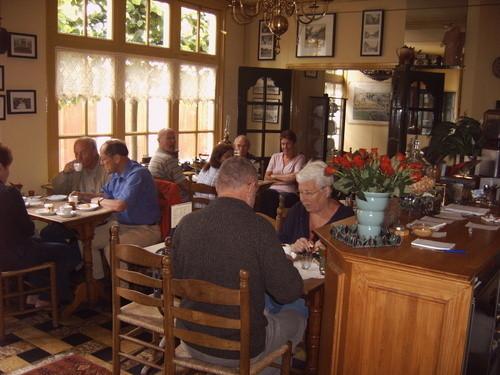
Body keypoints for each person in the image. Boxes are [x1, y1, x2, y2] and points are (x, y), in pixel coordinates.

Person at [173, 157, 306, 372]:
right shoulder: (259, 229)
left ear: (218, 185)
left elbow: (176, 279)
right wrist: (285, 263)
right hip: (239, 349)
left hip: (191, 339)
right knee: (298, 316)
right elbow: (289, 292)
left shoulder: (187, 223)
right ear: (251, 186)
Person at [0, 143, 81, 305]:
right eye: (7, 168)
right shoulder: (9, 193)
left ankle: (38, 292)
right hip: (14, 256)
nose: (8, 172)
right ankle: (53, 297)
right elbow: (28, 229)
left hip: (6, 254)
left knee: (43, 242)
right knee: (63, 251)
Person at [80, 139, 161, 279]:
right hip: (122, 226)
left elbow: (119, 205)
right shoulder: (116, 175)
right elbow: (104, 195)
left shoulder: (138, 174)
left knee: (112, 248)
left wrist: (97, 201)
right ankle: (98, 283)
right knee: (87, 240)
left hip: (146, 229)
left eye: (104, 159)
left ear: (116, 158)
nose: (101, 163)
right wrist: (82, 195)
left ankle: (122, 296)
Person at [279, 160, 354, 252]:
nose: (302, 199)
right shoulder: (297, 210)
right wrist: (292, 247)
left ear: (326, 191)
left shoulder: (346, 219)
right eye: (300, 192)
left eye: (308, 193)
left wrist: (329, 254)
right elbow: (278, 245)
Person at [258, 130, 306, 218]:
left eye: (288, 144)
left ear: (294, 144)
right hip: (273, 190)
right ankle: (267, 224)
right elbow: (266, 177)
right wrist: (286, 179)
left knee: (283, 199)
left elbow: (294, 178)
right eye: (283, 144)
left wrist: (274, 176)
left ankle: (277, 226)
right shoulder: (275, 157)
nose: (285, 147)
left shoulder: (300, 158)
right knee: (266, 195)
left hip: (290, 192)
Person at [148, 128, 189, 201]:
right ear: (159, 141)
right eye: (169, 138)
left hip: (162, 199)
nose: (173, 141)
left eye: (173, 138)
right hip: (178, 201)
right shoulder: (168, 159)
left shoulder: (156, 156)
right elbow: (185, 185)